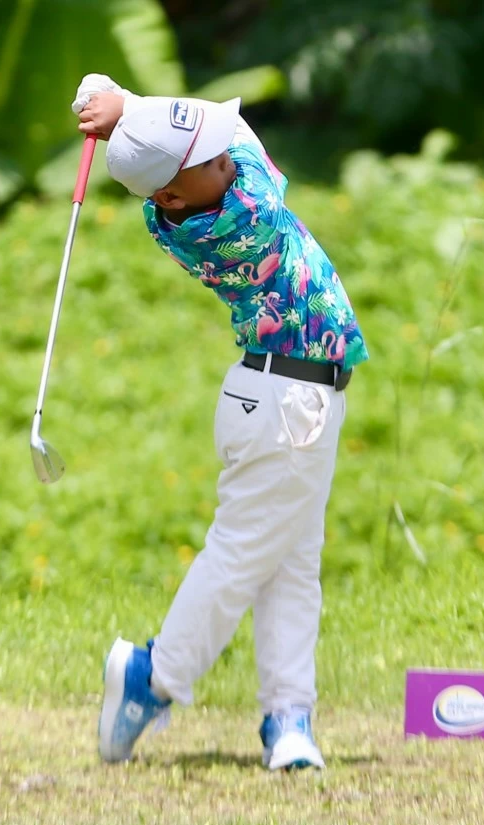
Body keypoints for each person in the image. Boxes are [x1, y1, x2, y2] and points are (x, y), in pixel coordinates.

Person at [72, 74, 368, 771]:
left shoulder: (177, 209)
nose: (224, 158)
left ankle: (289, 717)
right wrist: (127, 107)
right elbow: (241, 135)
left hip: (282, 397)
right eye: (207, 159)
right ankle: (155, 675)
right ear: (174, 195)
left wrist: (127, 117)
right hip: (286, 403)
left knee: (291, 563)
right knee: (243, 557)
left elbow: (212, 136)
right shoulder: (245, 209)